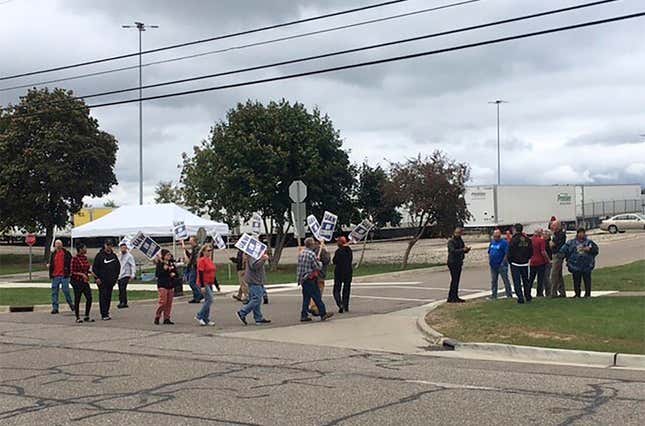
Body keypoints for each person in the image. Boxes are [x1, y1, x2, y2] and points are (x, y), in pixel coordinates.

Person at [297, 237, 334, 322]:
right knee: (317, 296)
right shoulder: (311, 254)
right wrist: (318, 261)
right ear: (312, 244)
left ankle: (304, 315)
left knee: (306, 298)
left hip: (303, 278)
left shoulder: (301, 253)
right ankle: (323, 313)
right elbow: (317, 267)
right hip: (310, 278)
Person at [560, 228, 599, 298]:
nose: (581, 234)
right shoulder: (571, 242)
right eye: (580, 233)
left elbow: (596, 250)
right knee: (576, 281)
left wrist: (590, 249)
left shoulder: (589, 242)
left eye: (583, 233)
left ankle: (587, 294)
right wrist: (567, 259)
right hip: (575, 265)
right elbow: (563, 250)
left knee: (587, 280)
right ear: (577, 234)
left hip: (587, 265)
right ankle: (577, 294)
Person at [236, 253, 271, 325]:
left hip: (256, 279)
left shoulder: (255, 253)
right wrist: (263, 260)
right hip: (254, 280)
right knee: (256, 299)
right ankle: (242, 312)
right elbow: (254, 266)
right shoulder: (252, 254)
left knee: (255, 299)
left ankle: (258, 318)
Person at [92, 239, 121, 320]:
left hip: (111, 281)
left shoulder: (114, 256)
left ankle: (107, 312)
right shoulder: (99, 255)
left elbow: (117, 267)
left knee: (108, 297)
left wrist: (116, 278)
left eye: (110, 245)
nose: (109, 247)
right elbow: (94, 268)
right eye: (107, 245)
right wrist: (96, 278)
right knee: (103, 296)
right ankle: (103, 313)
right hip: (101, 281)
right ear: (104, 245)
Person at [508, 224, 533, 304]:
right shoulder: (527, 239)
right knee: (526, 281)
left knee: (517, 282)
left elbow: (510, 251)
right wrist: (527, 258)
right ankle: (528, 296)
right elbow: (531, 251)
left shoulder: (514, 239)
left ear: (515, 229)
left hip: (515, 264)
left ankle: (520, 298)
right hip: (525, 263)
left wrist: (510, 261)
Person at [48, 239, 74, 314]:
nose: (58, 245)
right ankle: (55, 308)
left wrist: (70, 272)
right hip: (55, 276)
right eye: (56, 244)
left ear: (62, 245)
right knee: (54, 292)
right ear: (55, 245)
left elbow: (70, 263)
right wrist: (50, 269)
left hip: (64, 275)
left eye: (59, 244)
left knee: (66, 291)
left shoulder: (66, 253)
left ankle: (71, 304)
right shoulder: (53, 254)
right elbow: (51, 264)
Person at [70, 243, 93, 323]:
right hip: (77, 281)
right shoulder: (75, 259)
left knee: (89, 298)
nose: (86, 250)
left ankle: (87, 315)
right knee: (77, 298)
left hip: (85, 281)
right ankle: (77, 317)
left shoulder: (85, 258)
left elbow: (87, 269)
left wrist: (92, 273)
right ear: (80, 249)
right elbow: (72, 272)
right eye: (84, 248)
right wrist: (82, 274)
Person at [446, 227, 471, 303]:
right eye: (457, 233)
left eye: (459, 233)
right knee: (454, 279)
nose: (458, 234)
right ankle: (451, 297)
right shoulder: (451, 241)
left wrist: (466, 250)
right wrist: (462, 250)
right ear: (454, 233)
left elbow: (462, 249)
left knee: (456, 280)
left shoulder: (460, 240)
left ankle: (454, 296)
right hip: (452, 262)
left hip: (459, 262)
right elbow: (452, 251)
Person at [195, 244, 217, 326]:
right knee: (210, 299)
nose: (209, 252)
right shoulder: (201, 260)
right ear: (203, 251)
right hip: (204, 282)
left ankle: (206, 319)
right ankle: (199, 315)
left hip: (210, 282)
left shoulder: (209, 260)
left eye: (210, 250)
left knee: (208, 300)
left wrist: (216, 284)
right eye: (208, 250)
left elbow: (213, 272)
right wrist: (202, 286)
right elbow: (200, 273)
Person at [487, 229, 512, 300]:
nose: (495, 238)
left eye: (497, 236)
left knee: (505, 280)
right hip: (493, 265)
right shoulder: (492, 242)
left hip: (501, 265)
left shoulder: (504, 243)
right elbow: (489, 252)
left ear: (500, 236)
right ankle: (494, 295)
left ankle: (509, 294)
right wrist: (490, 260)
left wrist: (503, 262)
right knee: (494, 280)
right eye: (494, 236)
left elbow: (506, 253)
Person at [308, 241, 331, 316]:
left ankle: (312, 306)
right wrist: (327, 251)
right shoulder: (321, 251)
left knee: (313, 291)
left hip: (311, 274)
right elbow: (327, 260)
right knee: (319, 291)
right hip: (320, 274)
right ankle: (314, 307)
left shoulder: (309, 250)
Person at [154, 249, 176, 325]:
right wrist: (164, 269)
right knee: (163, 302)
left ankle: (167, 318)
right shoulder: (160, 264)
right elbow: (157, 274)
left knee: (169, 303)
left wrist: (173, 274)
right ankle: (157, 316)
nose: (169, 256)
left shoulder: (171, 263)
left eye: (169, 255)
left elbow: (175, 272)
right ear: (163, 256)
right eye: (167, 255)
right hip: (162, 285)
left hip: (170, 285)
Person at [332, 236, 353, 313]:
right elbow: (350, 259)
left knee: (336, 289)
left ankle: (340, 304)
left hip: (339, 272)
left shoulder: (338, 251)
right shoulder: (349, 250)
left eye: (338, 241)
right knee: (346, 289)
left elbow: (334, 261)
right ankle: (345, 305)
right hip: (348, 271)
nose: (337, 243)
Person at [529, 228, 550, 297]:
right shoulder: (541, 240)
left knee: (531, 278)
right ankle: (539, 293)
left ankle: (528, 291)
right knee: (540, 279)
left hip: (532, 261)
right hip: (540, 262)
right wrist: (548, 260)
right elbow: (543, 251)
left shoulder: (531, 240)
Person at [549, 220, 567, 298]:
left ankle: (553, 292)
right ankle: (562, 291)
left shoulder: (561, 234)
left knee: (554, 274)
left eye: (554, 225)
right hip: (555, 254)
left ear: (558, 226)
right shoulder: (555, 234)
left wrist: (551, 242)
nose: (552, 227)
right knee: (559, 275)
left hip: (558, 255)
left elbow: (553, 244)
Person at [182, 236, 203, 304]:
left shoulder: (197, 249)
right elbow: (191, 256)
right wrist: (185, 250)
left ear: (194, 241)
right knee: (193, 282)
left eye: (191, 240)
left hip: (196, 267)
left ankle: (199, 295)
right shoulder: (194, 248)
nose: (189, 242)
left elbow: (195, 258)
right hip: (193, 266)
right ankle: (196, 297)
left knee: (192, 282)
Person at [117, 243, 136, 309]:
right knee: (120, 288)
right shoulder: (119, 255)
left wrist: (132, 274)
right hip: (120, 274)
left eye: (124, 248)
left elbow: (133, 265)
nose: (123, 249)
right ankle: (121, 301)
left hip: (126, 274)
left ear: (127, 248)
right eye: (122, 248)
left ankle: (123, 302)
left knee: (123, 288)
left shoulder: (129, 256)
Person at [543, 229, 553, 297]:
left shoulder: (550, 242)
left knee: (546, 277)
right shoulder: (543, 242)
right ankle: (547, 292)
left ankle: (549, 292)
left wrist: (550, 260)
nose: (544, 235)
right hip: (543, 262)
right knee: (544, 277)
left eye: (546, 234)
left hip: (548, 261)